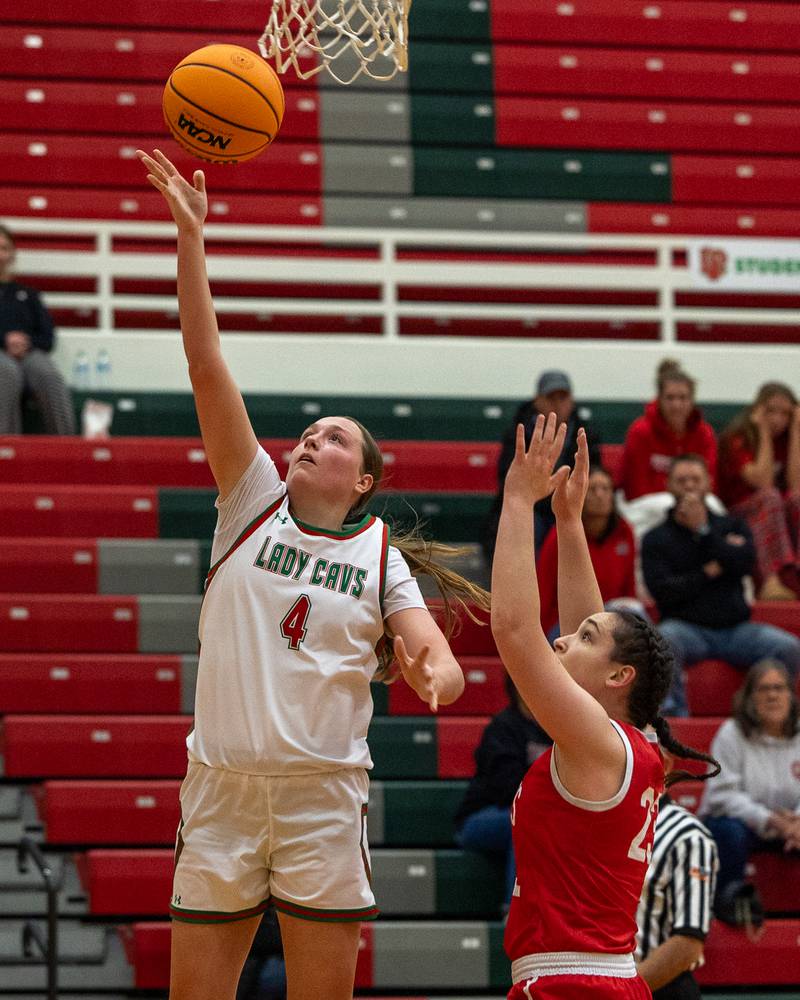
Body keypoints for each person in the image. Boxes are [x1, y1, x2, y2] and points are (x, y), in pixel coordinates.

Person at [136, 148, 491, 1000]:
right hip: (219, 786)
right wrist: (192, 243)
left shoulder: (381, 558)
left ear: (363, 479)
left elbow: (433, 652)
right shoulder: (249, 498)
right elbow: (205, 365)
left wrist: (432, 672)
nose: (309, 440)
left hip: (322, 796)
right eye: (308, 432)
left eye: (333, 438)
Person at [491, 412, 719, 1000]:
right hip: (598, 977)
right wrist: (568, 524)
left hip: (573, 981)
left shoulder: (599, 742)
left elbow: (517, 631)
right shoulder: (631, 739)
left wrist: (518, 501)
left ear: (621, 675)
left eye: (584, 639)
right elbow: (587, 637)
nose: (565, 639)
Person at [641, 454, 800, 717]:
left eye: (695, 480)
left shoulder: (732, 525)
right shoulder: (656, 538)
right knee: (662, 641)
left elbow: (745, 563)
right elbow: (664, 591)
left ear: (709, 484)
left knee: (788, 647)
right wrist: (708, 571)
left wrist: (703, 531)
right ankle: (672, 720)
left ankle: (766, 719)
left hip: (735, 630)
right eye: (682, 480)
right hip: (686, 629)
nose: (689, 486)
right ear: (668, 485)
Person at [699, 659, 800, 928]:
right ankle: (726, 907)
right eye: (763, 689)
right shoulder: (731, 734)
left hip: (790, 827)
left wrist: (797, 823)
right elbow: (723, 795)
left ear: (791, 695)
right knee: (729, 831)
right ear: (750, 697)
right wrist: (770, 820)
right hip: (741, 824)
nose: (772, 695)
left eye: (779, 688)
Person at [482, 369, 601, 563]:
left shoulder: (587, 434)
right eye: (551, 397)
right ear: (538, 400)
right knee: (525, 525)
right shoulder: (517, 432)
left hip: (571, 505)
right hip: (532, 505)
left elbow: (594, 473)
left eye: (562, 397)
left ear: (571, 401)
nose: (557, 403)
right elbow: (507, 478)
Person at [454, 674, 552, 908]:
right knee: (526, 822)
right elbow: (506, 788)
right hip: (482, 818)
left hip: (540, 815)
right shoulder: (503, 727)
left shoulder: (555, 729)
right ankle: (516, 912)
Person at [635, 749, 719, 1000]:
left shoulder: (688, 836)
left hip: (660, 990)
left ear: (665, 764)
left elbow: (687, 945)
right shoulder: (593, 826)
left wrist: (620, 993)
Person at [537, 465, 643, 641]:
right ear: (581, 496)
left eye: (606, 489)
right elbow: (544, 590)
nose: (600, 495)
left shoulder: (625, 532)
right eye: (592, 489)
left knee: (644, 632)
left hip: (613, 620)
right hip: (569, 624)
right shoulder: (561, 535)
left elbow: (629, 588)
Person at [618, 360, 718, 544]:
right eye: (670, 398)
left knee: (715, 509)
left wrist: (689, 501)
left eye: (683, 398)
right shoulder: (640, 431)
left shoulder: (704, 433)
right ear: (659, 399)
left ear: (692, 400)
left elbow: (708, 481)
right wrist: (676, 504)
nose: (677, 405)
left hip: (694, 502)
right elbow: (636, 489)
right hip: (647, 507)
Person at [718, 382, 800, 600]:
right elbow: (763, 482)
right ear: (758, 410)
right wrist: (763, 431)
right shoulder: (738, 437)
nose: (777, 419)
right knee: (770, 497)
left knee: (796, 500)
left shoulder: (789, 438)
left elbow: (795, 486)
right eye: (771, 411)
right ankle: (771, 581)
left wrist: (796, 432)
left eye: (785, 413)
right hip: (737, 512)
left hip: (773, 513)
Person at [0, 223, 76, 435]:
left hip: (29, 354)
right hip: (1, 357)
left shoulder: (29, 295)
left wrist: (26, 342)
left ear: (12, 254)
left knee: (48, 373)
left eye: (4, 248)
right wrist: (5, 340)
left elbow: (48, 338)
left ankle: (66, 445)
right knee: (6, 372)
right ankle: (6, 447)